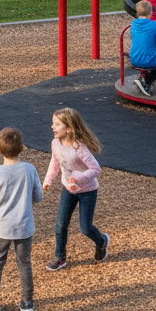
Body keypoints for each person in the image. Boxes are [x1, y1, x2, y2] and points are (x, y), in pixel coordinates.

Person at [0, 127, 43, 311]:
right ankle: (27, 302)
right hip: (24, 225)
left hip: (2, 226)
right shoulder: (29, 169)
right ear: (22, 147)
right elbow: (38, 196)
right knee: (24, 262)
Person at [43, 108, 110, 271]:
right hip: (69, 189)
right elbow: (55, 163)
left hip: (88, 191)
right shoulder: (55, 144)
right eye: (53, 123)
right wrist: (48, 180)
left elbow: (96, 169)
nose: (52, 127)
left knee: (86, 228)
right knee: (60, 225)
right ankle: (60, 257)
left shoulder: (78, 147)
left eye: (57, 124)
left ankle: (102, 241)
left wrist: (78, 177)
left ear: (69, 129)